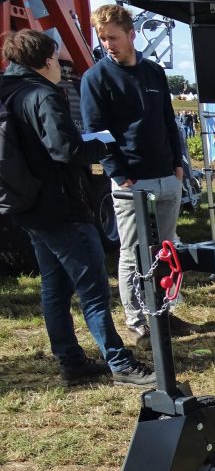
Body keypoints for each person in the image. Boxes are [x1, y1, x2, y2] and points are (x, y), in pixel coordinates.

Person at [0, 29, 156, 387]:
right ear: (47, 60)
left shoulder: (9, 92)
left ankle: (71, 360)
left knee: (54, 287)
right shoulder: (43, 95)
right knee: (93, 291)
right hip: (61, 206)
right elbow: (64, 149)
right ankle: (120, 363)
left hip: (28, 205)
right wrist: (100, 147)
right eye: (56, 58)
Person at [80, 3, 196, 348]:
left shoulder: (154, 73)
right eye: (103, 39)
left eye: (113, 37)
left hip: (166, 175)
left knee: (167, 247)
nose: (108, 45)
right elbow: (95, 132)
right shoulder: (96, 78)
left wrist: (178, 165)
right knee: (131, 251)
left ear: (131, 35)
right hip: (131, 180)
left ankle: (164, 311)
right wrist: (119, 174)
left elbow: (167, 121)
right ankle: (137, 322)